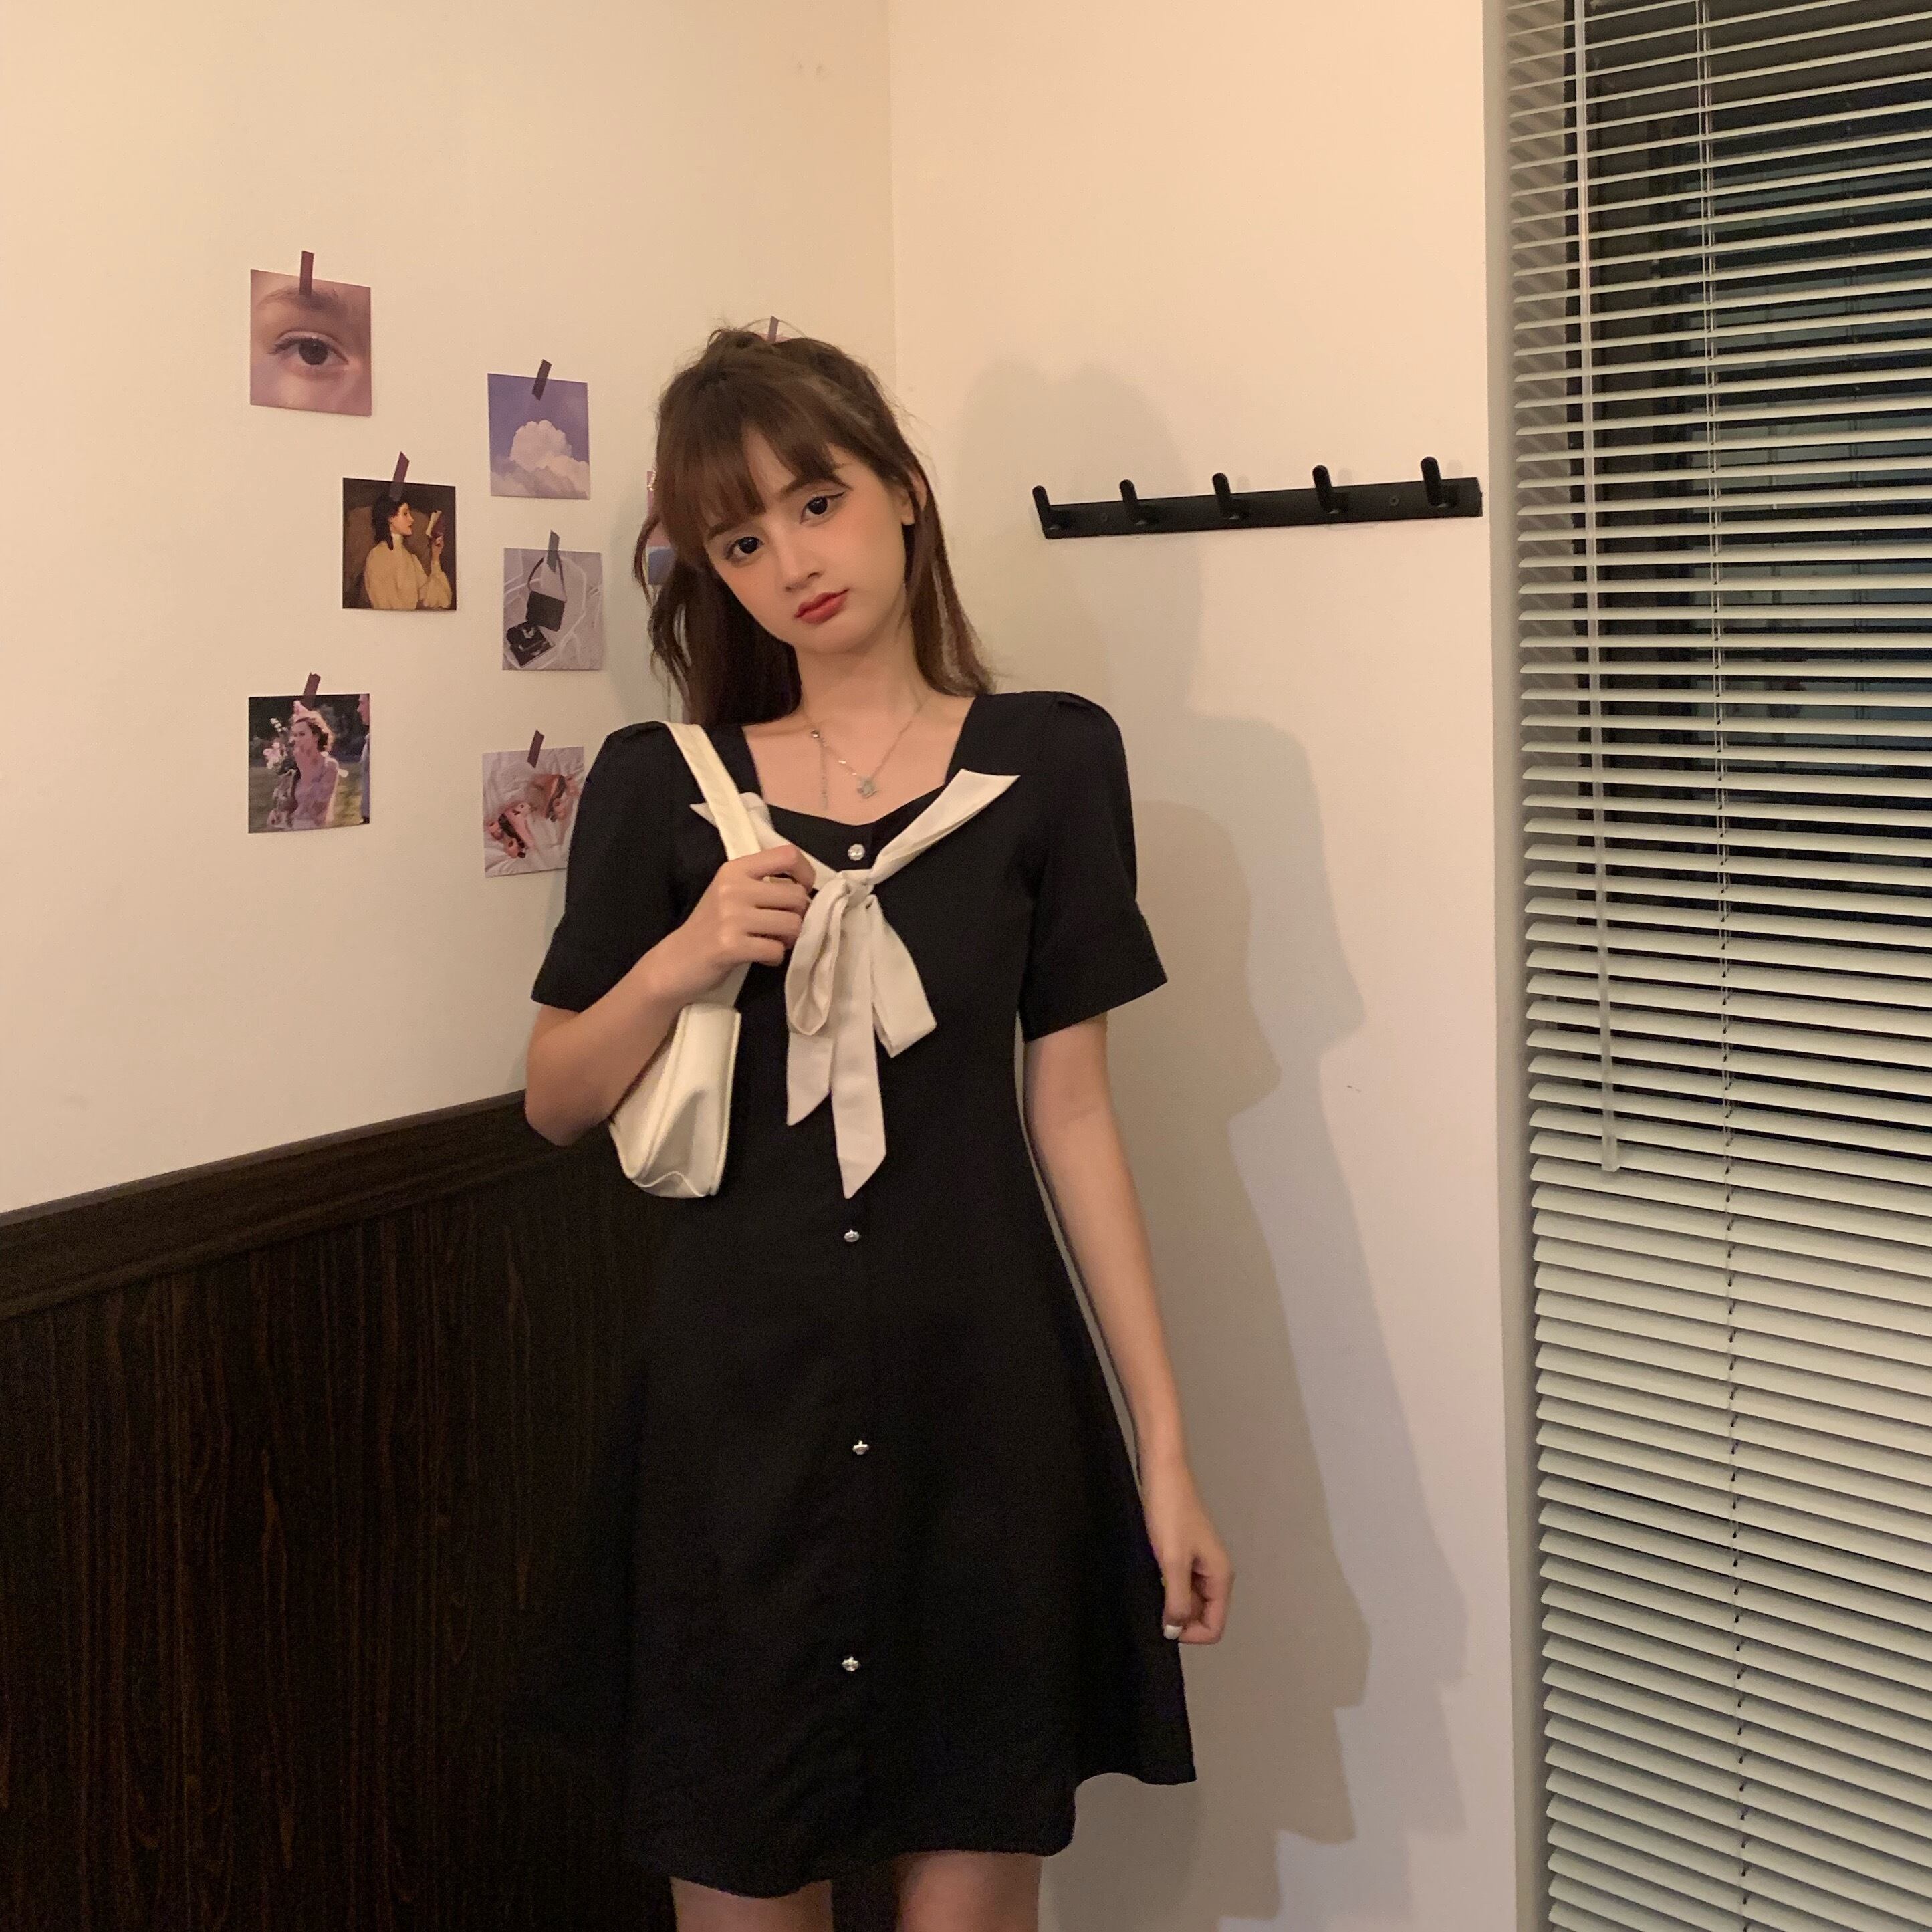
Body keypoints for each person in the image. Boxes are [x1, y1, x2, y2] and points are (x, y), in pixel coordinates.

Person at [518, 328, 1232, 1929]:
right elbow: (555, 1093)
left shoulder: (1049, 761)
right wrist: (685, 954)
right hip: (733, 1428)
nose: (792, 561)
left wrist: (1164, 1451)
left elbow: (1072, 1112)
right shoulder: (660, 782)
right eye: (740, 540)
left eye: (817, 501)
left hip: (986, 1414)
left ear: (901, 493)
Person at [361, 492, 453, 610]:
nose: (412, 520)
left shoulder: (411, 559)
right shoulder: (378, 556)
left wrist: (435, 558)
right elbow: (385, 606)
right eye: (405, 514)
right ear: (390, 518)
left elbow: (438, 600)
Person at [265, 705, 340, 830]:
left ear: (316, 736)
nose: (297, 739)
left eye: (302, 734)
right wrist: (278, 811)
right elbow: (290, 803)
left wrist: (306, 771)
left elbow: (317, 810)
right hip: (292, 827)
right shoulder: (295, 765)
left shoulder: (329, 766)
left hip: (316, 829)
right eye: (295, 735)